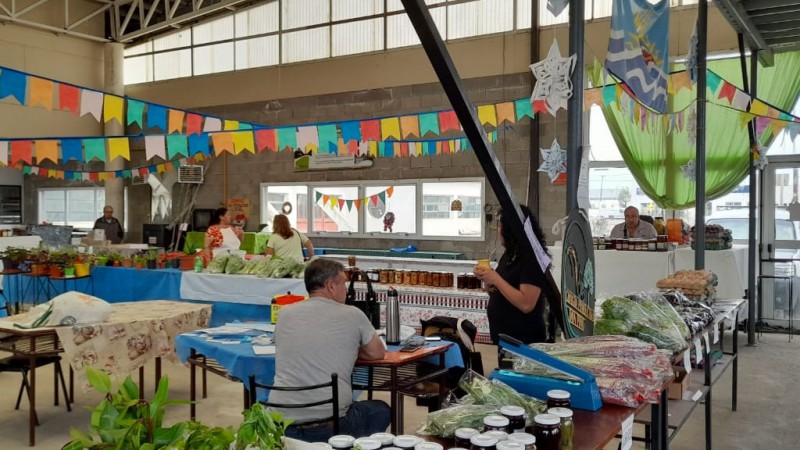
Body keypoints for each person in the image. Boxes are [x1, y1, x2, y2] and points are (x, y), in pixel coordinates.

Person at [270, 258, 390, 441]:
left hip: (281, 424)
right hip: (332, 425)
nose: (347, 291)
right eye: (344, 284)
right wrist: (352, 347)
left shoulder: (285, 313)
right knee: (380, 410)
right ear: (331, 286)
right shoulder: (353, 314)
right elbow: (377, 353)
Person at [474, 205, 549, 345]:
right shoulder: (511, 254)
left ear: (510, 230)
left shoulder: (532, 258)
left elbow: (526, 304)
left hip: (524, 340)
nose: (498, 231)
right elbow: (504, 288)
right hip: (505, 337)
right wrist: (488, 280)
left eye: (501, 226)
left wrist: (496, 279)